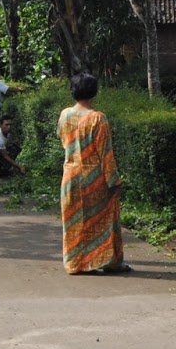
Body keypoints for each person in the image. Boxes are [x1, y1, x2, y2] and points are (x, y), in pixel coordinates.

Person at [59, 74, 127, 274]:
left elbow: (64, 142)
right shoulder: (97, 118)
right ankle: (105, 261)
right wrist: (113, 180)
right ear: (94, 92)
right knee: (102, 221)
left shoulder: (64, 115)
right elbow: (105, 153)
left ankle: (75, 264)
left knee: (73, 221)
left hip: (70, 175)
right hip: (94, 177)